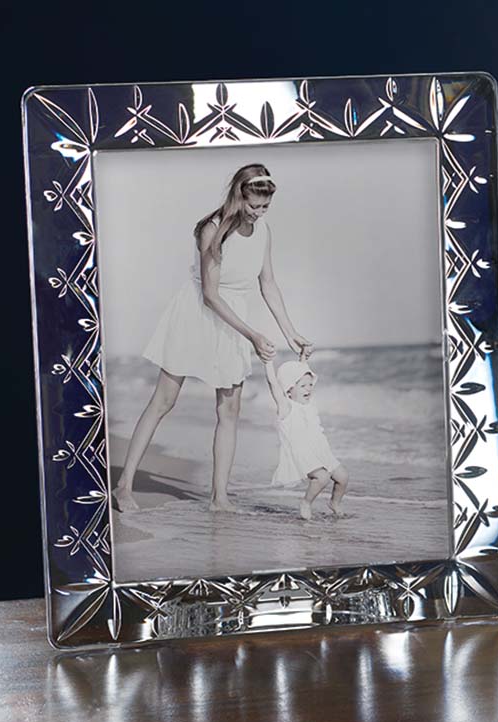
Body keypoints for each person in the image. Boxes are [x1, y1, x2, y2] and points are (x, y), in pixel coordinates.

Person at [112, 164, 313, 513]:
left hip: (233, 318)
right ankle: (124, 485)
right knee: (164, 400)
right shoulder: (212, 229)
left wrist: (290, 331)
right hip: (198, 312)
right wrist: (252, 334)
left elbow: (268, 283)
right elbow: (210, 294)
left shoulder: (263, 230)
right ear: (239, 195)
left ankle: (220, 498)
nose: (258, 213)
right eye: (253, 205)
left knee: (230, 408)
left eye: (265, 207)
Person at [262, 354, 349, 520]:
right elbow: (273, 383)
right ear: (289, 389)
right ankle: (306, 502)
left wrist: (303, 356)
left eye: (310, 385)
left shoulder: (309, 403)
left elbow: (303, 370)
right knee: (322, 477)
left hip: (321, 450)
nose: (308, 389)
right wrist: (267, 362)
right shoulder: (286, 407)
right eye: (303, 386)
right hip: (302, 452)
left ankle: (335, 502)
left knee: (343, 477)